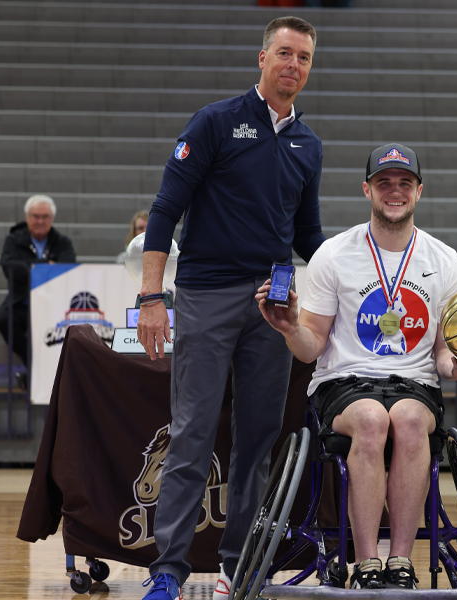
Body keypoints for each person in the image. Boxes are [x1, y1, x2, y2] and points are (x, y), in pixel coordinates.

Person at [135, 16, 324, 600]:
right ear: (261, 58)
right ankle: (167, 568)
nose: (294, 65)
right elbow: (165, 209)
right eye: (285, 53)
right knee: (192, 432)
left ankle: (237, 566)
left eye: (304, 58)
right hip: (206, 294)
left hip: (271, 304)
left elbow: (310, 237)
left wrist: (368, 276)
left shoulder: (308, 145)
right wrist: (151, 297)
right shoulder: (215, 122)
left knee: (258, 439)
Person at [257, 143, 457, 590]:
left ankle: (400, 561)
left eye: (405, 183)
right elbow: (311, 350)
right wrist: (289, 328)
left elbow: (442, 353)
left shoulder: (443, 261)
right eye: (385, 183)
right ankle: (367, 562)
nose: (395, 192)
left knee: (405, 419)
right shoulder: (333, 254)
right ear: (367, 189)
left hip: (414, 386)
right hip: (344, 383)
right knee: (370, 418)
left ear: (419, 191)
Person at [0, 194, 76, 386]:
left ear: (52, 218)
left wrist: (29, 269)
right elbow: (11, 270)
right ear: (27, 217)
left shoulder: (62, 242)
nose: (40, 221)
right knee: (3, 319)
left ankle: (41, 374)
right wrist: (45, 266)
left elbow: (66, 270)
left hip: (53, 303)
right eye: (35, 216)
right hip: (22, 301)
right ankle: (36, 366)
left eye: (45, 217)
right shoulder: (14, 240)